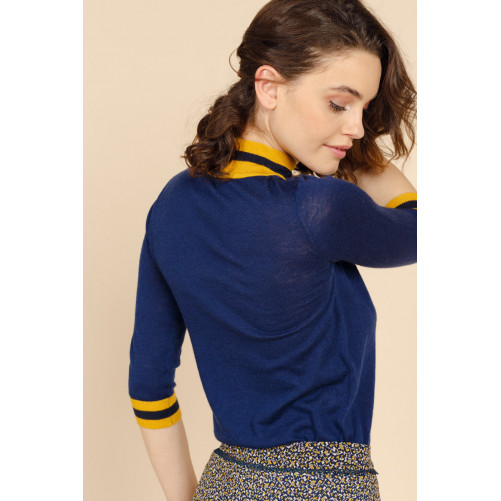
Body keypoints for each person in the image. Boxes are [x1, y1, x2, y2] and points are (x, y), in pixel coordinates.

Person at [128, 0, 417, 499]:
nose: (356, 127)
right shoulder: (320, 207)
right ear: (269, 87)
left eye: (364, 109)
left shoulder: (171, 205)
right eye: (339, 104)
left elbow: (148, 386)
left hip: (223, 483)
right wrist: (357, 158)